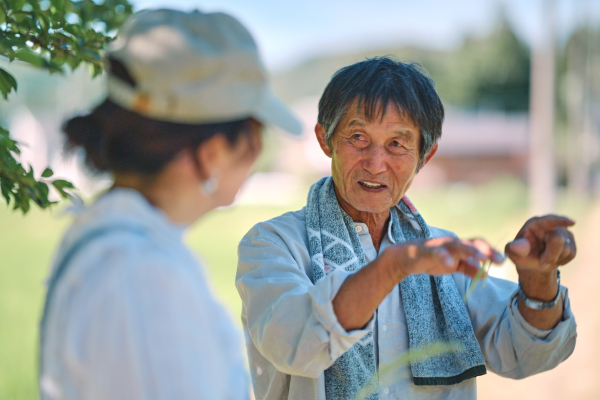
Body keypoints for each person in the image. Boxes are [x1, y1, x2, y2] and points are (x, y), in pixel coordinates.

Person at [236, 57, 577, 400]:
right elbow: (293, 343)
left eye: (397, 144)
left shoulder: (442, 255)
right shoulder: (272, 244)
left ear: (425, 156)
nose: (375, 163)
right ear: (326, 140)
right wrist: (394, 267)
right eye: (358, 137)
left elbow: (522, 353)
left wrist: (539, 278)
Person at [39, 9, 301, 400]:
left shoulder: (115, 242)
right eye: (255, 134)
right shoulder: (142, 280)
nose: (258, 151)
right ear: (212, 153)